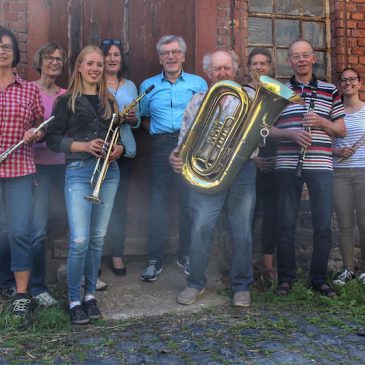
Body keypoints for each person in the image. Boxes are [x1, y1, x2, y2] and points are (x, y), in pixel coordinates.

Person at [170, 50, 256, 307]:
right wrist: (176, 156)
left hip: (242, 171)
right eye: (217, 69)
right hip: (207, 170)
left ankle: (241, 286)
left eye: (227, 68)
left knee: (242, 230)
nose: (223, 73)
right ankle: (195, 282)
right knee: (200, 227)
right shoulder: (199, 99)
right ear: (208, 72)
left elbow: (259, 134)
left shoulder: (250, 97)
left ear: (235, 70)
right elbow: (185, 136)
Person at [47, 45, 123, 325]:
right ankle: (74, 299)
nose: (95, 68)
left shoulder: (110, 101)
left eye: (100, 64)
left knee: (96, 239)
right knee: (79, 239)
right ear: (78, 66)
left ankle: (90, 296)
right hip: (79, 172)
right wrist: (83, 145)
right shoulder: (65, 101)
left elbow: (120, 138)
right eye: (89, 63)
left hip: (109, 173)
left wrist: (119, 149)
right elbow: (52, 139)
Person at [270, 40, 346, 297]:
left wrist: (323, 122)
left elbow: (341, 129)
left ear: (313, 58)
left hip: (321, 165)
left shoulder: (330, 90)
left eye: (305, 55)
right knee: (285, 224)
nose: (300, 60)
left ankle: (320, 279)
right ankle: (286, 279)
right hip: (287, 165)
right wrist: (289, 133)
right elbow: (265, 131)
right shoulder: (279, 90)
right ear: (289, 61)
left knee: (323, 225)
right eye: (295, 56)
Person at [139, 35, 208, 281]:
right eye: (165, 53)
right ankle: (154, 259)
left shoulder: (198, 83)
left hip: (191, 145)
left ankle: (185, 254)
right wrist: (162, 138)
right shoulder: (148, 85)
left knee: (189, 199)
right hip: (159, 145)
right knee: (157, 201)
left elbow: (206, 116)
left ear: (183, 56)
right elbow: (143, 117)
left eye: (175, 52)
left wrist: (185, 142)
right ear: (159, 57)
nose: (171, 56)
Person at [0, 27, 45, 316]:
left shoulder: (29, 89)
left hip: (19, 169)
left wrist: (34, 134)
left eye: (7, 46)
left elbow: (43, 128)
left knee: (19, 231)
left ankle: (21, 294)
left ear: (15, 53)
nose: (2, 50)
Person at [29, 42, 67, 306]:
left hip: (65, 166)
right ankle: (37, 286)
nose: (54, 62)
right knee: (38, 229)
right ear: (39, 61)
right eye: (49, 58)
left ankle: (74, 277)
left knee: (74, 223)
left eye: (59, 59)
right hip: (39, 166)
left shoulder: (66, 95)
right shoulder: (28, 90)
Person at [101, 39, 140, 276]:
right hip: (100, 151)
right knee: (97, 206)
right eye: (108, 55)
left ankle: (117, 254)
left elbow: (137, 121)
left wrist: (130, 118)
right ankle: (95, 257)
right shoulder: (93, 82)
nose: (112, 59)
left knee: (119, 206)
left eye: (116, 55)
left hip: (124, 151)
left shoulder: (130, 86)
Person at [246, 48, 278, 285]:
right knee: (248, 216)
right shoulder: (243, 92)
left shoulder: (278, 93)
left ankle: (268, 267)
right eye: (255, 63)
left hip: (275, 158)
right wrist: (252, 158)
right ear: (249, 67)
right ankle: (244, 266)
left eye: (263, 63)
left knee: (272, 217)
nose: (259, 67)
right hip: (250, 160)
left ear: (270, 66)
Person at [332, 68, 365, 285]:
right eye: (343, 80)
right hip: (340, 173)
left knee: (364, 223)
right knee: (344, 223)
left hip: (363, 171)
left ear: (360, 84)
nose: (348, 83)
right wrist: (338, 151)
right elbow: (326, 142)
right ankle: (348, 270)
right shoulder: (335, 112)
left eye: (352, 79)